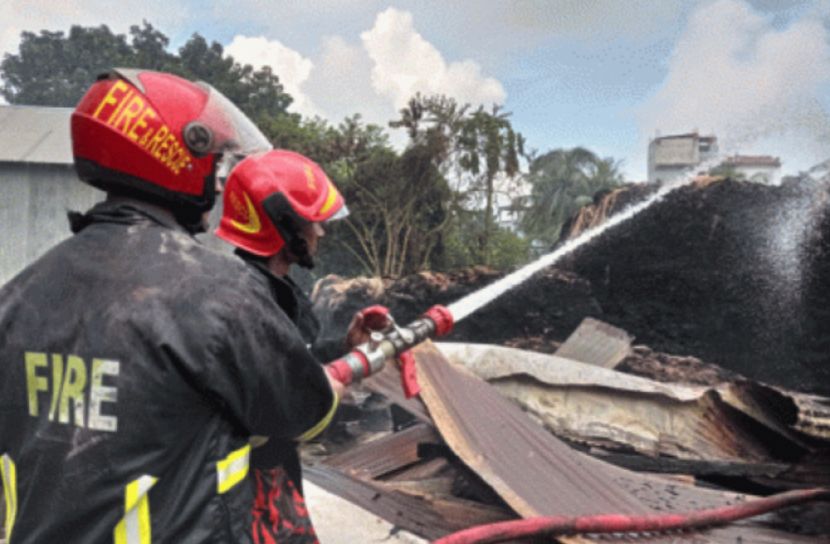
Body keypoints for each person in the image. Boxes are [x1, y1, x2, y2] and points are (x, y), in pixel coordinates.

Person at [0, 69, 342, 543]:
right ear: (178, 156)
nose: (219, 184)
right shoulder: (219, 293)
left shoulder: (16, 298)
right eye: (214, 163)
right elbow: (308, 411)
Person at [215, 149, 385, 543]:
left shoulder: (274, 291)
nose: (321, 233)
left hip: (267, 483)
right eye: (313, 223)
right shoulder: (246, 302)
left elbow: (293, 363)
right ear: (285, 225)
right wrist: (340, 377)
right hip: (243, 499)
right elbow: (286, 406)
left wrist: (344, 347)